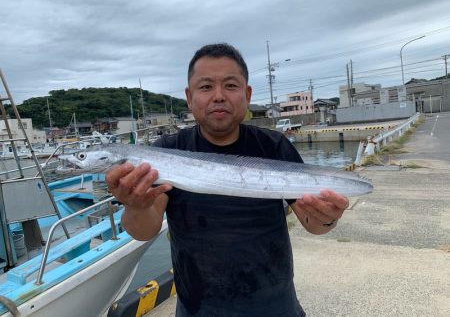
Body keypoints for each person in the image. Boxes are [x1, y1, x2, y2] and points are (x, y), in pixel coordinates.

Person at [106, 43, 349, 317]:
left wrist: (327, 216)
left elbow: (313, 224)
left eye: (231, 86)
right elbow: (143, 231)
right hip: (198, 309)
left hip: (276, 306)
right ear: (189, 97)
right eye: (206, 87)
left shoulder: (274, 146)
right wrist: (135, 205)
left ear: (247, 95)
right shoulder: (166, 151)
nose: (219, 96)